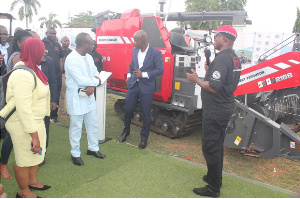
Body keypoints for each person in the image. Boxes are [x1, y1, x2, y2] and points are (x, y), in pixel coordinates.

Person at [186, 25, 241, 197]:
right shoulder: (234, 57)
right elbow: (224, 81)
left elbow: (214, 87)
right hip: (223, 107)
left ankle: (213, 188)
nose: (214, 39)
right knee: (216, 146)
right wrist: (210, 70)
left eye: (217, 36)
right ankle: (212, 176)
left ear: (224, 38)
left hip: (216, 110)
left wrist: (196, 79)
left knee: (211, 148)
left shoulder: (223, 59)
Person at [0, 38, 51, 198]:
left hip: (36, 121)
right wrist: (33, 134)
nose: (45, 53)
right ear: (35, 52)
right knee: (24, 157)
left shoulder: (33, 68)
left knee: (36, 153)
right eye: (43, 50)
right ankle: (23, 191)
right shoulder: (22, 74)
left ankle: (32, 181)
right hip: (22, 123)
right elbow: (23, 109)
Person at [65, 32, 106, 166]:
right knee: (76, 126)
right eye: (91, 43)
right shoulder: (71, 59)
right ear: (83, 44)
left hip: (88, 96)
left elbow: (94, 72)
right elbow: (79, 79)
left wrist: (93, 84)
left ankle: (93, 148)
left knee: (93, 124)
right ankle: (75, 153)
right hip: (76, 98)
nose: (93, 45)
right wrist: (95, 83)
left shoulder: (88, 57)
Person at [119, 30, 164, 149]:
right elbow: (132, 64)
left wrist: (143, 74)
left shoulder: (156, 53)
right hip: (134, 85)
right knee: (128, 109)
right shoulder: (135, 50)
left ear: (143, 40)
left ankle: (144, 138)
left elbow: (160, 70)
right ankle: (126, 131)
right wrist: (129, 76)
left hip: (147, 87)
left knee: (146, 113)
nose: (134, 42)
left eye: (136, 40)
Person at [0, 30, 32, 179]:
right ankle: (3, 164)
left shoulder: (27, 56)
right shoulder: (17, 57)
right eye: (26, 42)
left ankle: (23, 163)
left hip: (25, 100)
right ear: (19, 43)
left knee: (22, 133)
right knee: (12, 135)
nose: (29, 45)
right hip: (15, 102)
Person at [31, 31, 58, 166]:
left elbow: (53, 81)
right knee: (31, 131)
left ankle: (42, 154)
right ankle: (31, 153)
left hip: (45, 104)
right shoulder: (25, 64)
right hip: (31, 106)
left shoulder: (49, 61)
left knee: (44, 130)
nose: (44, 55)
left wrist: (54, 100)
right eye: (41, 52)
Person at [42, 27, 64, 124]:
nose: (53, 35)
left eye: (54, 33)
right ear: (46, 33)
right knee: (45, 93)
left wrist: (62, 69)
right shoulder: (42, 43)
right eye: (51, 33)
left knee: (56, 94)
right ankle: (44, 115)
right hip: (45, 74)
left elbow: (62, 58)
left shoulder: (57, 45)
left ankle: (54, 116)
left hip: (57, 74)